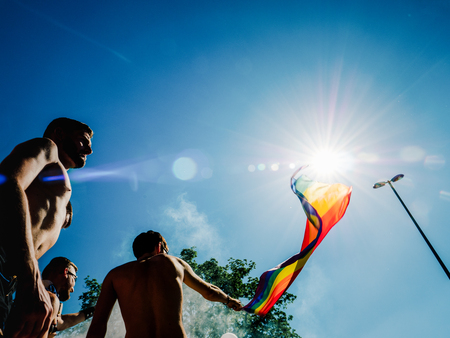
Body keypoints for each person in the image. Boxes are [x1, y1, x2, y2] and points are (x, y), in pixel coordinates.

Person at [0, 117, 93, 337]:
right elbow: (8, 182)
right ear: (60, 134)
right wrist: (31, 275)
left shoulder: (56, 182)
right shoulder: (47, 147)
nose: (88, 149)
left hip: (11, 277)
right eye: (83, 140)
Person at [86, 231, 242, 338]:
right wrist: (229, 300)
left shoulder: (115, 274)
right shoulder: (173, 262)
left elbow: (98, 323)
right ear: (159, 247)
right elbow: (209, 292)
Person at [41, 257, 95, 337]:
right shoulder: (43, 295)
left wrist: (95, 310)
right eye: (74, 279)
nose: (72, 289)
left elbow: (65, 321)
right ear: (65, 272)